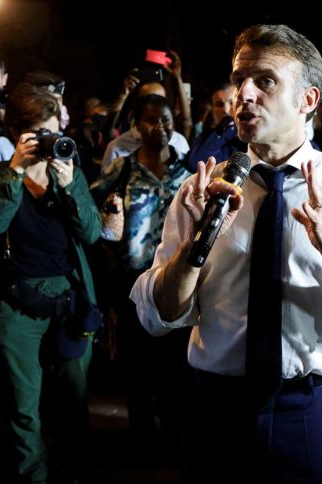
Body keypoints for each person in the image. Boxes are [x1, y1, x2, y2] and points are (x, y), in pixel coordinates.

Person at [130, 24, 322, 483]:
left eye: (265, 80)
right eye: (239, 78)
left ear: (308, 100)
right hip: (216, 406)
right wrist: (195, 244)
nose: (243, 92)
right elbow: (160, 313)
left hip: (314, 408)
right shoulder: (202, 189)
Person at [0, 83, 101, 484]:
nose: (50, 143)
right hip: (15, 307)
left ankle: (72, 469)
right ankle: (34, 477)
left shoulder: (69, 170)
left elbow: (92, 232)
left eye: (54, 133)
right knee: (22, 406)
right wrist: (15, 170)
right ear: (18, 133)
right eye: (39, 135)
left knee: (74, 400)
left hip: (66, 301)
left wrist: (67, 184)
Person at [89, 93, 192, 457]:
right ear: (136, 124)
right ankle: (143, 440)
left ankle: (174, 438)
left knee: (175, 365)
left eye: (165, 119)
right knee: (137, 366)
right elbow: (94, 216)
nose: (159, 127)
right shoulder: (122, 170)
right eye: (150, 120)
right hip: (132, 285)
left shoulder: (189, 174)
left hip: (178, 286)